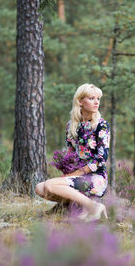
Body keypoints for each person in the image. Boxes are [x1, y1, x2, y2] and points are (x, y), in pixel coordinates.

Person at [35, 83, 109, 222]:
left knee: (50, 185)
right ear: (80, 101)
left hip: (95, 178)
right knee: (40, 188)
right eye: (91, 98)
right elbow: (71, 156)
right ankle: (78, 205)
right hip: (76, 176)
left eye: (98, 98)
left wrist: (77, 173)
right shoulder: (71, 126)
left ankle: (94, 207)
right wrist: (68, 172)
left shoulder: (101, 125)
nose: (96, 102)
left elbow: (101, 159)